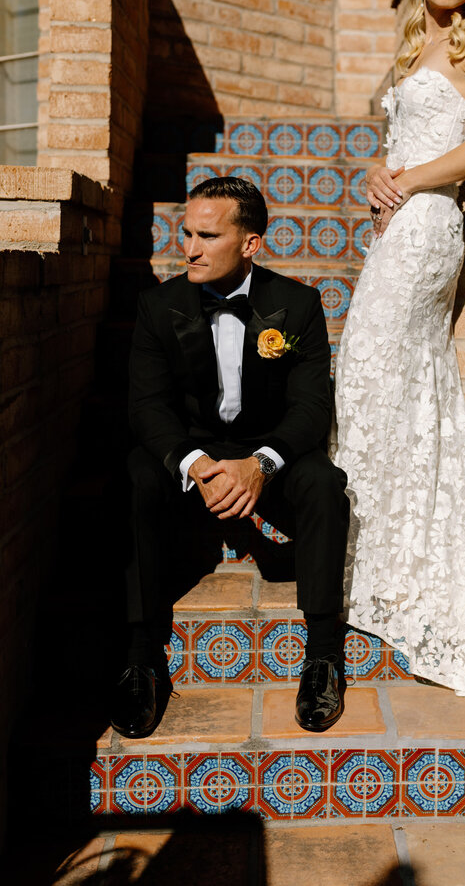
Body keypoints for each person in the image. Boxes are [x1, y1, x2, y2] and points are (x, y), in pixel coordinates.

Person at [333, 0, 465, 697]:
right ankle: (372, 546)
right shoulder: (411, 46)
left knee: (375, 366)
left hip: (429, 231)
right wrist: (382, 171)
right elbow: (405, 140)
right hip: (398, 225)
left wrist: (411, 182)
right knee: (375, 375)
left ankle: (392, 559)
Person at [111, 176, 349, 738]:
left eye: (207, 236)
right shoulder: (157, 305)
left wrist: (262, 464)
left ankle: (322, 656)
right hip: (191, 452)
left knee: (323, 482)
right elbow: (146, 407)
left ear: (250, 244)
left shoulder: (297, 305)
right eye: (186, 232)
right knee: (134, 477)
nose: (188, 248)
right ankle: (141, 656)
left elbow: (312, 409)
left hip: (267, 450)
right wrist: (193, 463)